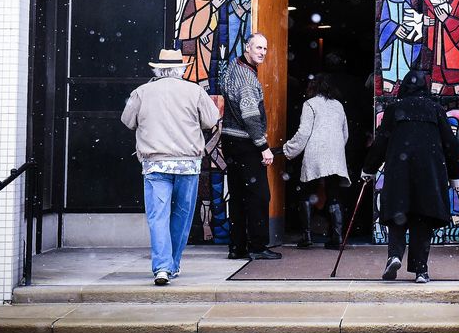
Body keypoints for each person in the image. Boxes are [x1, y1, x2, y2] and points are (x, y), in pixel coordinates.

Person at [120, 48, 221, 285]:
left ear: (157, 68)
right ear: (180, 70)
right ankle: (173, 264)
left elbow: (127, 121)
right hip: (187, 163)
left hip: (155, 163)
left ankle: (162, 268)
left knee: (158, 216)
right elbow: (210, 119)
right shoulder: (194, 91)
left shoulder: (142, 92)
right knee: (182, 215)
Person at [361, 71, 459, 283]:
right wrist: (455, 175)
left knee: (399, 214)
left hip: (400, 171)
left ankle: (395, 255)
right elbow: (451, 144)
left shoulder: (394, 109)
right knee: (422, 219)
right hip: (428, 174)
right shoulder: (435, 109)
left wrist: (369, 169)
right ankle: (421, 270)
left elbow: (381, 142)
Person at [220, 33, 282, 261]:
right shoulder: (246, 77)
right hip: (244, 143)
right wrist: (263, 146)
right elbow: (250, 116)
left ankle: (237, 247)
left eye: (265, 49)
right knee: (259, 195)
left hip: (230, 141)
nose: (262, 52)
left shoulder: (233, 68)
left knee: (237, 195)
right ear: (247, 48)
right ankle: (257, 246)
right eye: (258, 48)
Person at [282, 74, 351, 249]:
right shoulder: (338, 105)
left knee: (306, 193)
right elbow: (345, 134)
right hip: (336, 155)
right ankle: (337, 237)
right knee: (334, 194)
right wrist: (335, 149)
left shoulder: (309, 104)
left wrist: (288, 149)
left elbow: (304, 132)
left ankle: (307, 236)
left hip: (315, 152)